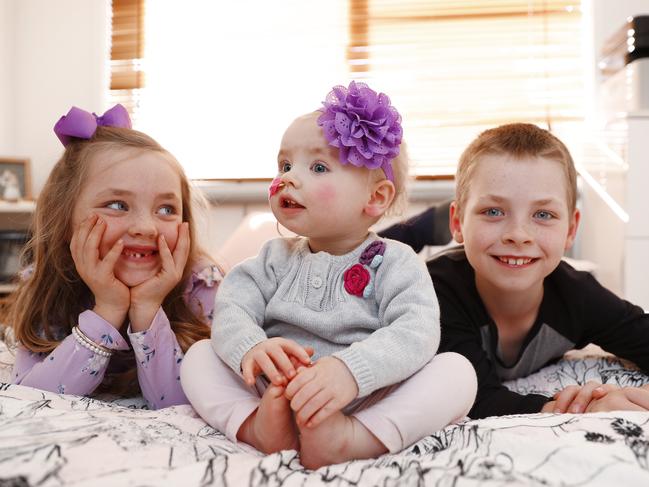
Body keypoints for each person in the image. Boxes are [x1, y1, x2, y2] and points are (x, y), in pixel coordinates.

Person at [181, 82, 477, 469]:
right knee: (199, 357)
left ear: (375, 198)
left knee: (457, 372)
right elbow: (232, 309)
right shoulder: (271, 259)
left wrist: (351, 372)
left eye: (318, 167)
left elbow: (416, 331)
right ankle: (260, 427)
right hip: (277, 391)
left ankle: (353, 437)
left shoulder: (396, 263)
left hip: (366, 395)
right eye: (284, 165)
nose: (288, 178)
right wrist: (253, 349)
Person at [426, 122, 649, 419]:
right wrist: (585, 406)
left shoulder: (577, 295)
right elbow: (474, 398)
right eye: (493, 211)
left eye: (543, 214)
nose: (519, 234)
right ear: (457, 223)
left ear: (570, 229)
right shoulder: (433, 293)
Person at [9, 105, 222, 409]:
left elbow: (184, 405)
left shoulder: (201, 283)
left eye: (166, 210)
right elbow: (31, 400)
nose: (146, 228)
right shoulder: (48, 280)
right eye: (118, 205)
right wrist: (107, 309)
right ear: (65, 219)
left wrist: (147, 308)